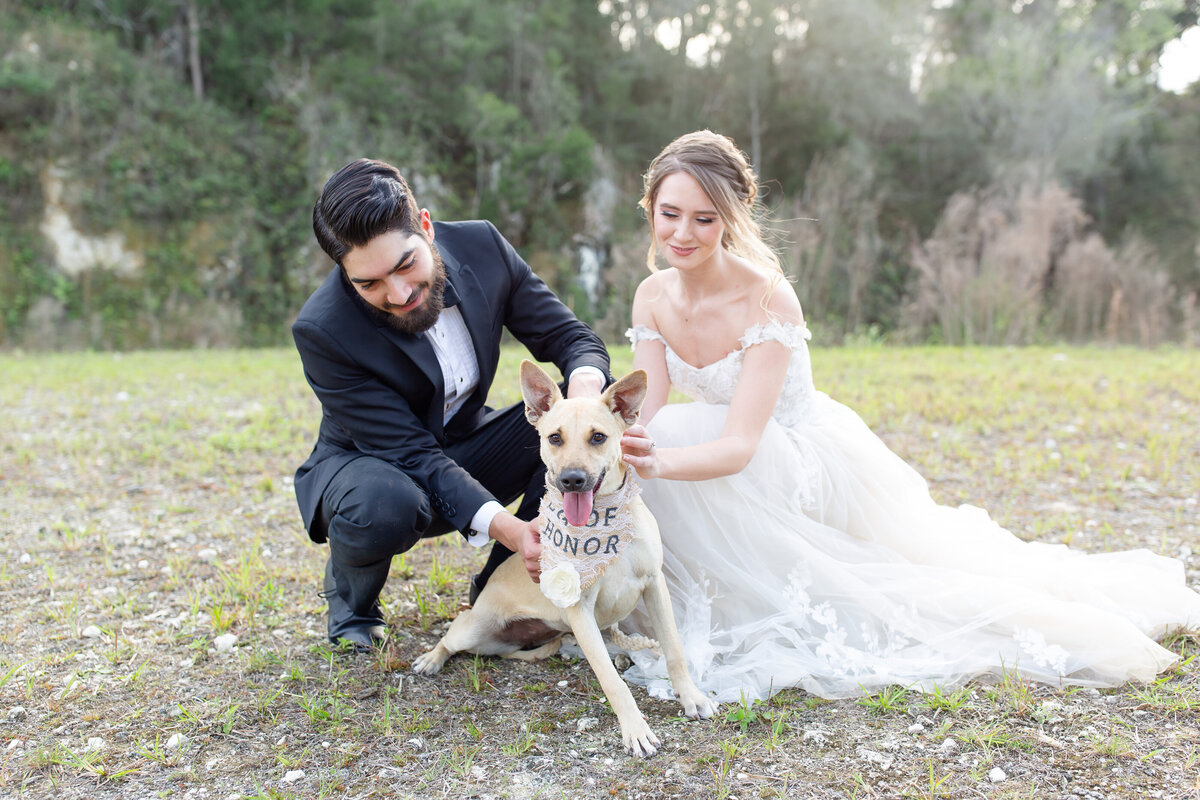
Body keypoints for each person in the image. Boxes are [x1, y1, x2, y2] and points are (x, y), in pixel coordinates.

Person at [616, 130, 1200, 702]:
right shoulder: (653, 295)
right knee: (653, 440)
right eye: (670, 213)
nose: (683, 233)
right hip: (715, 443)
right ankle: (644, 599)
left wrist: (660, 460)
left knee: (672, 449)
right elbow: (652, 404)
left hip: (792, 459)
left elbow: (743, 444)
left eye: (705, 218)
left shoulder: (768, 297)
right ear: (650, 207)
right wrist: (623, 447)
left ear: (733, 217)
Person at [293, 158, 611, 651]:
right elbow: (413, 454)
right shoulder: (323, 330)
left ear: (425, 226)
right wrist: (508, 527)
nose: (397, 294)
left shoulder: (482, 246)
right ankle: (351, 604)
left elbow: (568, 336)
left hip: (466, 444)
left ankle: (496, 592)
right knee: (385, 503)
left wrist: (585, 393)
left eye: (404, 265)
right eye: (369, 284)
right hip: (371, 467)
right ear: (343, 272)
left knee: (558, 442)